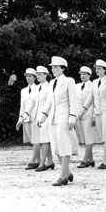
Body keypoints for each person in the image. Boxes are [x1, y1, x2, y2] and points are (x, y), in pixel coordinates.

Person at [37, 56, 80, 186]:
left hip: (64, 118)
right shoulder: (51, 83)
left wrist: (72, 117)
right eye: (52, 67)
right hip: (52, 119)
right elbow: (49, 102)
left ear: (63, 68)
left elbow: (74, 101)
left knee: (64, 146)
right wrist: (42, 118)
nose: (53, 69)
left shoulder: (69, 81)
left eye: (56, 67)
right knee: (56, 148)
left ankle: (63, 176)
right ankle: (67, 171)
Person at [16, 68, 42, 169]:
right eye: (26, 76)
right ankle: (38, 160)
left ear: (35, 77)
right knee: (32, 140)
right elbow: (22, 106)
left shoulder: (38, 88)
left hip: (36, 116)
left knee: (36, 140)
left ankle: (33, 161)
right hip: (26, 117)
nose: (28, 78)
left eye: (30, 76)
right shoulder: (23, 91)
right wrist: (20, 118)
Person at [75, 66, 99, 168]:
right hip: (79, 115)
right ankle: (91, 159)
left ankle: (85, 160)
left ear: (89, 75)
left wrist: (94, 116)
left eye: (85, 74)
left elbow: (94, 102)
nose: (82, 76)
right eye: (81, 74)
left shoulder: (93, 85)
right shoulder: (77, 86)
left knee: (89, 138)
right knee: (84, 138)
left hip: (89, 114)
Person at [33, 65, 55, 172]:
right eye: (37, 74)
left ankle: (42, 163)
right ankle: (50, 162)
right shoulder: (36, 88)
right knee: (43, 139)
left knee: (45, 140)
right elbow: (33, 103)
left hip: (47, 115)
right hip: (38, 115)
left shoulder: (49, 86)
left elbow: (50, 102)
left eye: (40, 74)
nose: (38, 76)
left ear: (46, 75)